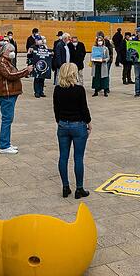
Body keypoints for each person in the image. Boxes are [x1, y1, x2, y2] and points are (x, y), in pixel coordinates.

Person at [52, 62, 92, 199]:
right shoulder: (79, 90)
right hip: (78, 125)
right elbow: (84, 109)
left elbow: (56, 109)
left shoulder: (57, 89)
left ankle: (65, 186)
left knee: (63, 157)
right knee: (78, 158)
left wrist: (60, 121)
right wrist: (89, 123)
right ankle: (79, 188)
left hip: (63, 124)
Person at [0, 43, 32, 154]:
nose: (12, 52)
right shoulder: (1, 63)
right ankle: (4, 146)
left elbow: (13, 73)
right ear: (4, 51)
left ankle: (6, 143)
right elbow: (10, 74)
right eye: (10, 50)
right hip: (6, 94)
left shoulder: (7, 61)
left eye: (13, 50)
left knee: (8, 119)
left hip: (10, 93)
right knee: (7, 120)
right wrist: (26, 70)